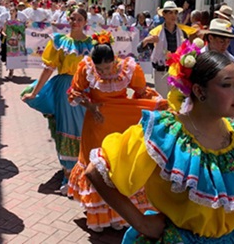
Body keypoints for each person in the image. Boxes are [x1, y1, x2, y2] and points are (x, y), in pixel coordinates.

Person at [85, 51, 234, 243]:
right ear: (199, 91)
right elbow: (96, 171)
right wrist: (140, 223)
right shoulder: (164, 133)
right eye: (226, 84)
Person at [67, 31, 164, 232]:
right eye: (99, 68)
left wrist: (149, 104)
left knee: (117, 165)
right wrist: (91, 106)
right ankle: (98, 215)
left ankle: (120, 215)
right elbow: (74, 93)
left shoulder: (128, 68)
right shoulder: (85, 68)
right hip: (96, 123)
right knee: (97, 165)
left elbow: (141, 92)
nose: (103, 71)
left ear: (114, 61)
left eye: (107, 66)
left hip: (121, 122)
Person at [21, 6, 93, 193]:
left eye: (79, 19)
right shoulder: (59, 41)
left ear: (85, 22)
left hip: (85, 91)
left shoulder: (93, 44)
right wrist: (35, 92)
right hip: (65, 90)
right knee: (66, 129)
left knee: (85, 130)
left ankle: (84, 172)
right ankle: (68, 175)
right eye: (72, 18)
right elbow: (48, 69)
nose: (75, 22)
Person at [140, 1, 192, 97]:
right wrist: (146, 41)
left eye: (175, 13)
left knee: (176, 102)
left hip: (177, 72)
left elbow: (188, 51)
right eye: (170, 13)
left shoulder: (183, 32)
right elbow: (140, 49)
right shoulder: (156, 31)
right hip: (161, 71)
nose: (173, 16)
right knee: (162, 102)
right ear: (164, 14)